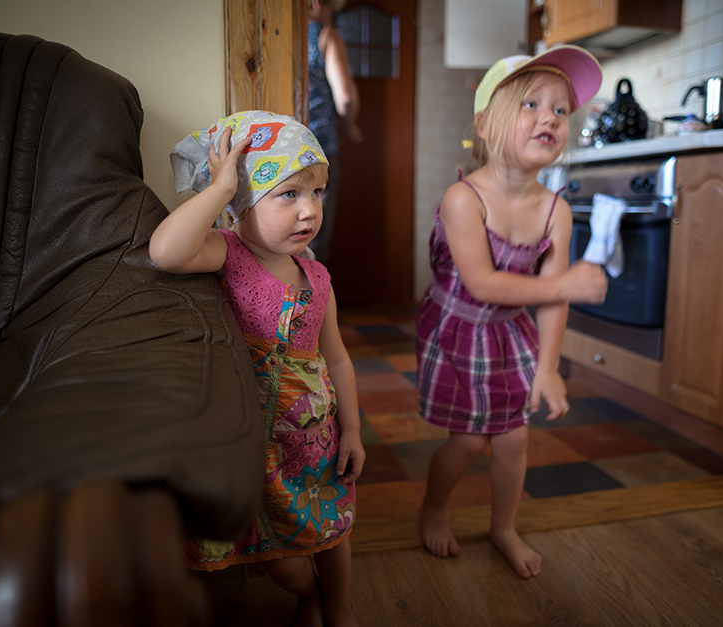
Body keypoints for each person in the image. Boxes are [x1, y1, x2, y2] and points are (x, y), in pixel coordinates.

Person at [151, 110, 364, 627]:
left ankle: (337, 608)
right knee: (278, 553)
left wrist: (354, 429)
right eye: (288, 194)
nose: (309, 209)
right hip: (250, 444)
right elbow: (165, 252)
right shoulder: (226, 253)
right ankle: (309, 593)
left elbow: (336, 356)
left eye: (317, 193)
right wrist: (221, 188)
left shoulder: (317, 276)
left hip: (314, 441)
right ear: (242, 202)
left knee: (330, 528)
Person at [415, 46, 608, 579]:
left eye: (561, 110)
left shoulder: (556, 210)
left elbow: (551, 297)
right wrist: (567, 282)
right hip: (457, 329)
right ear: (485, 124)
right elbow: (482, 283)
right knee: (467, 442)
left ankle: (503, 527)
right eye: (531, 104)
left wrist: (548, 369)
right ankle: (434, 506)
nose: (550, 118)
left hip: (509, 332)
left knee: (515, 438)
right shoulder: (463, 198)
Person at [307, 0, 362, 262]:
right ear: (317, 4)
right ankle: (314, 290)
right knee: (315, 238)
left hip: (282, 149)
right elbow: (346, 99)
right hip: (320, 149)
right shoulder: (326, 36)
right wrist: (350, 125)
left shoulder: (278, 37)